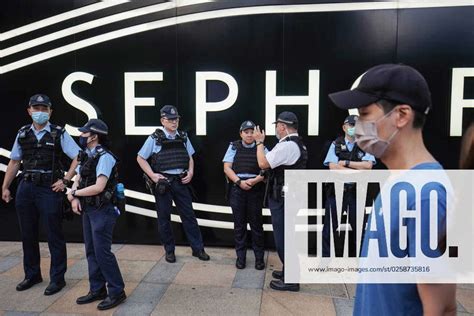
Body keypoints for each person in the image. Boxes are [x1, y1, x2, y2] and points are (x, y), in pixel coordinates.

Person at [328, 63, 456, 315]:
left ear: (401, 115)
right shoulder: (400, 181)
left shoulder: (427, 194)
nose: (358, 125)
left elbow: (441, 308)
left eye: (365, 114)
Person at [1, 94, 80, 295]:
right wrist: (5, 187)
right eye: (36, 108)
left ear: (50, 111)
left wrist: (66, 180)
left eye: (44, 109)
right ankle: (32, 274)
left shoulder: (58, 133)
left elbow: (78, 156)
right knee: (27, 234)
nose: (40, 112)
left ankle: (57, 278)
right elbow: (14, 162)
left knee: (54, 234)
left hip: (48, 188)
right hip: (26, 187)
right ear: (29, 110)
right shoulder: (23, 133)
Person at [136, 105, 210, 263]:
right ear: (162, 120)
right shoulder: (154, 138)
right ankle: (169, 250)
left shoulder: (183, 136)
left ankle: (198, 249)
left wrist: (190, 173)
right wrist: (153, 176)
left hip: (181, 182)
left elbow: (190, 157)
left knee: (189, 216)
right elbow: (140, 158)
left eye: (175, 119)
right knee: (164, 218)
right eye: (170, 119)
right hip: (164, 184)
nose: (174, 122)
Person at [67, 119, 126, 310]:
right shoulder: (85, 154)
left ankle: (117, 291)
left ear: (94, 136)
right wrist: (74, 196)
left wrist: (74, 194)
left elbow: (99, 187)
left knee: (102, 252)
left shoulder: (105, 157)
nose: (81, 136)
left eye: (85, 133)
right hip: (89, 208)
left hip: (103, 210)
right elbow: (79, 177)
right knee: (91, 251)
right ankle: (97, 289)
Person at [253, 111, 307, 292]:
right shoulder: (293, 144)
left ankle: (291, 280)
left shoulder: (288, 146)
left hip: (284, 198)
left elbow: (262, 163)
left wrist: (259, 142)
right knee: (287, 235)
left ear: (283, 127)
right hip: (289, 196)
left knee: (284, 237)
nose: (276, 128)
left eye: (277, 125)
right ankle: (287, 271)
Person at [322, 114, 375, 257]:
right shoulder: (336, 144)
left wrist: (345, 163)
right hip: (337, 191)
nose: (354, 128)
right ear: (344, 127)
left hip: (356, 193)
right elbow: (332, 166)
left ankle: (361, 262)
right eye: (351, 125)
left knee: (359, 229)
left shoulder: (366, 144)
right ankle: (325, 262)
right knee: (329, 228)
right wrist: (357, 172)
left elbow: (368, 165)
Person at [223, 120, 267, 270]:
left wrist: (254, 181)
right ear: (241, 133)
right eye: (246, 132)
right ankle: (240, 258)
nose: (249, 135)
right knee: (239, 226)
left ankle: (259, 259)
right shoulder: (234, 146)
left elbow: (267, 169)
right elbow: (227, 168)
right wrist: (239, 182)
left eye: (251, 132)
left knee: (256, 226)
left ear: (256, 134)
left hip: (255, 189)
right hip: (238, 189)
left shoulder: (262, 148)